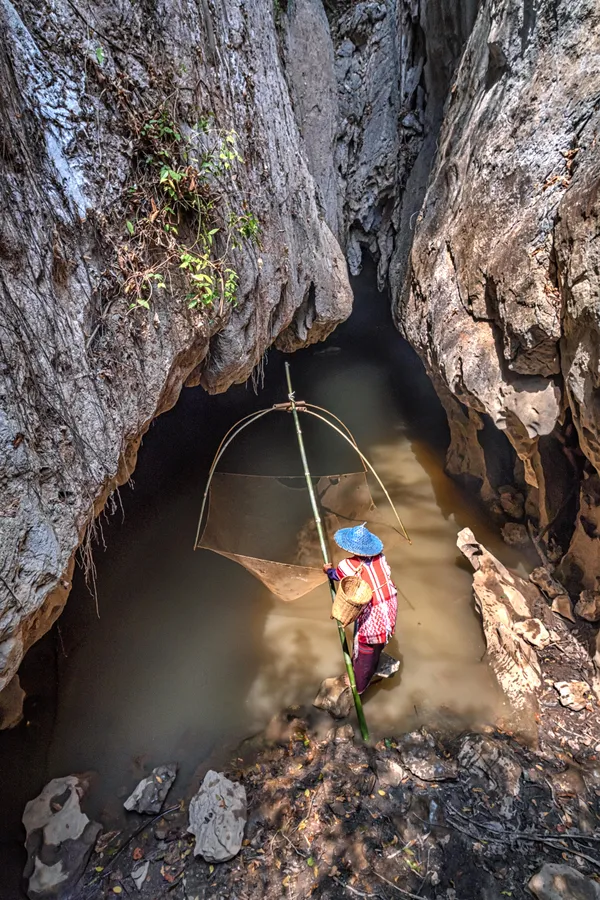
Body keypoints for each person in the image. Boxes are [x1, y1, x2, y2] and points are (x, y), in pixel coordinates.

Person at [323, 523, 397, 694]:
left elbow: (336, 576)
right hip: (390, 604)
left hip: (374, 615)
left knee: (365, 652)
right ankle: (375, 662)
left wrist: (327, 570)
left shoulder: (346, 565)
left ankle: (360, 686)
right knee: (378, 645)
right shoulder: (381, 557)